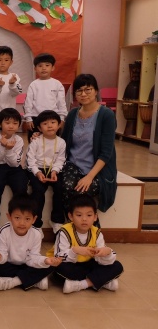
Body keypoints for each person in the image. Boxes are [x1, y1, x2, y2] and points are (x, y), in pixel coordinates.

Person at [58, 73, 117, 222]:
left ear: (96, 91)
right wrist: (42, 137)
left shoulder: (106, 115)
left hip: (97, 169)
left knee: (82, 193)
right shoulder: (73, 114)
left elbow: (106, 153)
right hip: (72, 165)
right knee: (66, 187)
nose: (83, 94)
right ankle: (73, 230)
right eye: (79, 91)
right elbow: (62, 142)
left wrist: (89, 177)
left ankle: (90, 231)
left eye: (88, 89)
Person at [0, 195, 61, 291]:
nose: (22, 223)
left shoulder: (36, 234)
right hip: (8, 264)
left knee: (49, 266)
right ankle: (33, 281)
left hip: (27, 265)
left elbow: (33, 258)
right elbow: (2, 254)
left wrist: (46, 261)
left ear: (34, 219)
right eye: (17, 218)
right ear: (9, 217)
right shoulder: (4, 231)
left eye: (27, 219)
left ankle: (14, 282)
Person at [53, 195, 123, 293]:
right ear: (71, 216)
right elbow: (58, 257)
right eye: (79, 215)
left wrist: (107, 253)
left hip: (91, 265)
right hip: (73, 266)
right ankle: (102, 281)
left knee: (117, 266)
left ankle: (82, 284)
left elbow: (103, 261)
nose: (84, 219)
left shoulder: (97, 233)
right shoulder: (64, 231)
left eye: (89, 215)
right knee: (59, 268)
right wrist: (74, 251)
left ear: (95, 217)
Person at [0, 108, 28, 237]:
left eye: (15, 123)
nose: (11, 126)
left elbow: (15, 163)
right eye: (7, 122)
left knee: (21, 186)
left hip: (13, 168)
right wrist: (4, 147)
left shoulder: (19, 140)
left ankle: (18, 219)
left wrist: (9, 150)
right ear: (0, 124)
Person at [26, 110, 66, 231]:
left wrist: (55, 171)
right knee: (38, 191)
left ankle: (57, 220)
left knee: (60, 188)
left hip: (53, 170)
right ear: (39, 128)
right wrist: (37, 173)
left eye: (53, 122)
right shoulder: (36, 141)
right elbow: (30, 159)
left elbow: (60, 159)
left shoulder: (61, 142)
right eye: (45, 123)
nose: (49, 126)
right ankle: (36, 224)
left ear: (59, 125)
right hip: (37, 169)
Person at [23, 52, 68, 142]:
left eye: (47, 65)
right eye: (40, 66)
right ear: (35, 69)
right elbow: (28, 103)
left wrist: (62, 118)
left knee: (52, 143)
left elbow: (61, 103)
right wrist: (28, 118)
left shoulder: (57, 84)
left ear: (53, 67)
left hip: (53, 119)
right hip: (36, 118)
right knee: (34, 143)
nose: (44, 68)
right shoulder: (33, 84)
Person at [0, 45, 22, 133]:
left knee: (9, 135)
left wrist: (12, 84)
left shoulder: (14, 76)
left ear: (11, 62)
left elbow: (15, 93)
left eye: (6, 60)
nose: (3, 63)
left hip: (10, 113)